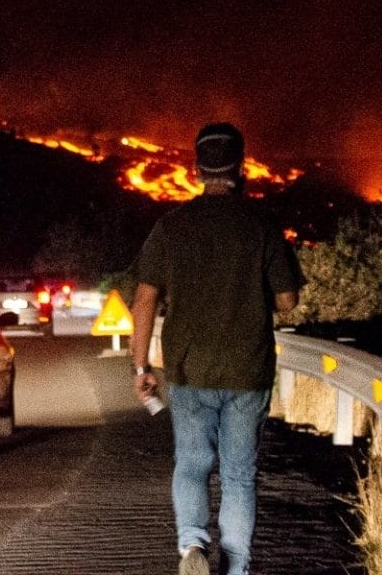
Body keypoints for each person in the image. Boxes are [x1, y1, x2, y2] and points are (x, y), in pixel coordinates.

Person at [131, 123, 302, 575]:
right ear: (241, 166)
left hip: (189, 371)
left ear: (196, 168)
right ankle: (237, 568)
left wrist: (140, 366)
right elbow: (287, 303)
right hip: (247, 372)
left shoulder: (171, 227)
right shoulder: (261, 227)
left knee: (190, 464)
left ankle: (191, 545)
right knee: (239, 475)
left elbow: (144, 298)